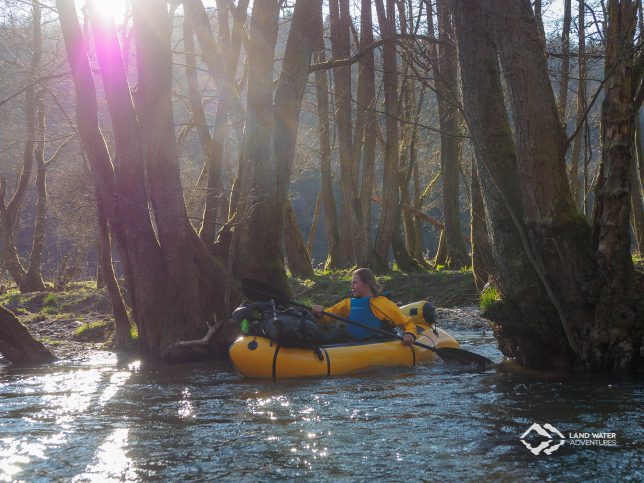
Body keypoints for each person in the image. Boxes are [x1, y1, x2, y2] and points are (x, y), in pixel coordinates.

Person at [312, 268, 417, 345]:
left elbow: (407, 322)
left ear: (367, 284)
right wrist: (320, 313)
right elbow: (327, 315)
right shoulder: (348, 303)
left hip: (372, 343)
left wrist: (410, 334)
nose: (351, 287)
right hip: (351, 342)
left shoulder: (383, 303)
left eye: (355, 283)